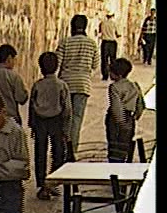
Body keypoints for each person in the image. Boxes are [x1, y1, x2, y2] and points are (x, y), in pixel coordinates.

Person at [28, 51, 72, 200]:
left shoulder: (37, 85)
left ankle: (41, 183)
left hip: (40, 121)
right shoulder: (61, 85)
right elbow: (67, 108)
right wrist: (67, 129)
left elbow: (32, 106)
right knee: (58, 152)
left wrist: (32, 125)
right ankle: (53, 182)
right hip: (57, 121)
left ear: (41, 67)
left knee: (40, 152)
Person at [56, 14, 99, 160]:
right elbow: (95, 65)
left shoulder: (65, 42)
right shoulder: (92, 44)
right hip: (83, 85)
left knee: (63, 118)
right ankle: (72, 149)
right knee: (76, 119)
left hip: (65, 84)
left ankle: (61, 148)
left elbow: (58, 62)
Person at [105, 57, 145, 162]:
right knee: (125, 146)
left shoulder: (114, 87)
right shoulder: (134, 86)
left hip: (116, 120)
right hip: (129, 118)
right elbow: (140, 104)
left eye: (111, 72)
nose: (109, 75)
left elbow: (116, 106)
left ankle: (115, 168)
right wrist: (135, 117)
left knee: (114, 147)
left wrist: (120, 122)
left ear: (118, 74)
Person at [98, 11, 120, 81]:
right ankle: (113, 75)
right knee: (113, 59)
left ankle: (105, 75)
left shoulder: (102, 23)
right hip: (112, 42)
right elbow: (117, 33)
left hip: (105, 42)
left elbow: (100, 32)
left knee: (104, 60)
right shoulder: (114, 23)